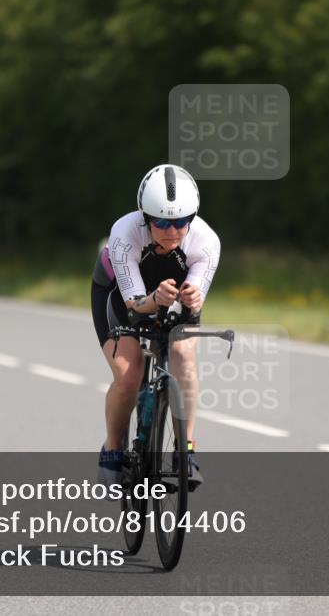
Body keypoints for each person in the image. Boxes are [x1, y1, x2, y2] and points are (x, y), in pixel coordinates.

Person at [91, 164, 220, 488]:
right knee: (129, 375)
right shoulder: (125, 232)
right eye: (162, 221)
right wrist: (154, 298)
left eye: (180, 222)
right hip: (119, 294)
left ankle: (185, 451)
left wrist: (191, 298)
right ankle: (112, 449)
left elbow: (195, 298)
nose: (172, 230)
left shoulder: (206, 241)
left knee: (185, 359)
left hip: (172, 297)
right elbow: (135, 305)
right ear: (145, 217)